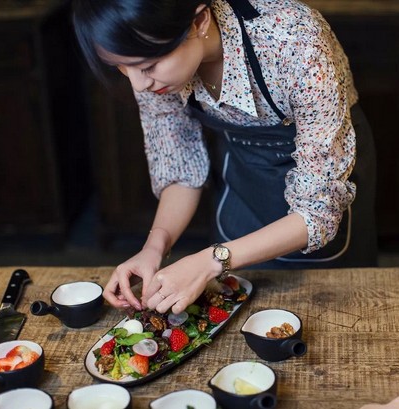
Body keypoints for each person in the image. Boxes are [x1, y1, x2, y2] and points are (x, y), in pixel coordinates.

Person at [71, 0, 377, 315]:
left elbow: (318, 213)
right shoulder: (150, 63)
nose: (139, 84)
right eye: (121, 67)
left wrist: (211, 261)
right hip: (243, 173)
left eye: (148, 66)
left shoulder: (293, 37)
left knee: (325, 309)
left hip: (322, 177)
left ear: (199, 21)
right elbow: (181, 167)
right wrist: (154, 248)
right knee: (238, 306)